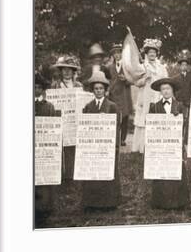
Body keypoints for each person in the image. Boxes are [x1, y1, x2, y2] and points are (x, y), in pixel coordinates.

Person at [80, 71, 122, 210]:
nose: (98, 91)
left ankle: (109, 203)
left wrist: (115, 146)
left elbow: (117, 127)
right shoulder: (87, 107)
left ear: (105, 90)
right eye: (96, 89)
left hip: (107, 147)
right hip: (92, 147)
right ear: (93, 90)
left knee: (108, 173)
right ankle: (92, 202)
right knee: (93, 173)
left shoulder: (112, 106)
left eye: (101, 89)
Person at [147, 77, 190, 209]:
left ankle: (179, 202)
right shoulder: (154, 107)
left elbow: (186, 126)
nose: (165, 91)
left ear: (173, 91)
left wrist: (184, 143)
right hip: (160, 147)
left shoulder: (180, 106)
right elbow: (150, 128)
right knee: (161, 171)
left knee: (177, 171)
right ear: (160, 91)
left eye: (168, 88)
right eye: (163, 89)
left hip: (175, 146)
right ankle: (160, 201)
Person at [131, 38, 168, 153]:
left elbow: (166, 81)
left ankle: (156, 147)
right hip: (145, 97)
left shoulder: (161, 67)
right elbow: (135, 82)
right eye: (150, 52)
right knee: (143, 121)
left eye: (154, 52)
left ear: (157, 54)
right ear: (146, 53)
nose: (152, 54)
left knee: (157, 119)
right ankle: (141, 149)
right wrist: (144, 79)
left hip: (158, 96)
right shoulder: (142, 67)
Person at [49, 56, 82, 182]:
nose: (67, 72)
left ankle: (70, 176)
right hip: (60, 120)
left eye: (70, 70)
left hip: (73, 122)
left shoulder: (78, 85)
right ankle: (59, 176)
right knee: (59, 148)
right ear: (61, 71)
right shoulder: (55, 86)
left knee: (71, 149)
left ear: (73, 72)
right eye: (64, 70)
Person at [34, 73, 61, 223]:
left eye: (39, 87)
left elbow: (53, 128)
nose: (37, 90)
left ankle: (45, 208)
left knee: (45, 177)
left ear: (43, 89)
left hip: (45, 146)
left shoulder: (49, 106)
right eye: (35, 87)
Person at [108, 43, 133, 146]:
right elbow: (109, 80)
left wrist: (126, 80)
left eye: (119, 52)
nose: (117, 55)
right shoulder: (110, 67)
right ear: (113, 55)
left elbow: (133, 80)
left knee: (125, 116)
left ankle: (122, 139)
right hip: (114, 94)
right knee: (115, 116)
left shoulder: (127, 66)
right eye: (115, 53)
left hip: (124, 93)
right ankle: (115, 137)